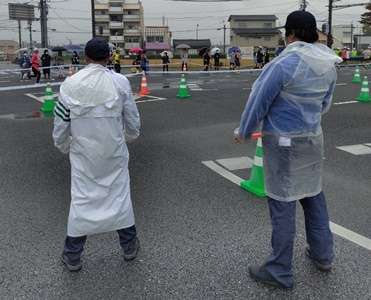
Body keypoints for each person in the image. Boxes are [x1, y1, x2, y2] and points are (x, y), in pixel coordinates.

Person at [235, 10, 342, 289]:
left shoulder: (284, 64)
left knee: (283, 204)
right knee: (313, 194)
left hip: (284, 142)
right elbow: (325, 105)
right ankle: (323, 255)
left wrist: (244, 130)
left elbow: (259, 100)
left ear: (290, 33)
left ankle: (280, 269)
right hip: (312, 137)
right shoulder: (327, 64)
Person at [53, 37, 141, 272]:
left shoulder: (70, 84)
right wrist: (127, 138)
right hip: (113, 153)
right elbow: (132, 121)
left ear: (86, 57)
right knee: (120, 197)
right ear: (108, 57)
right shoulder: (120, 83)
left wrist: (65, 146)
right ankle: (129, 246)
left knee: (82, 201)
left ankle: (73, 255)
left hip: (83, 155)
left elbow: (60, 127)